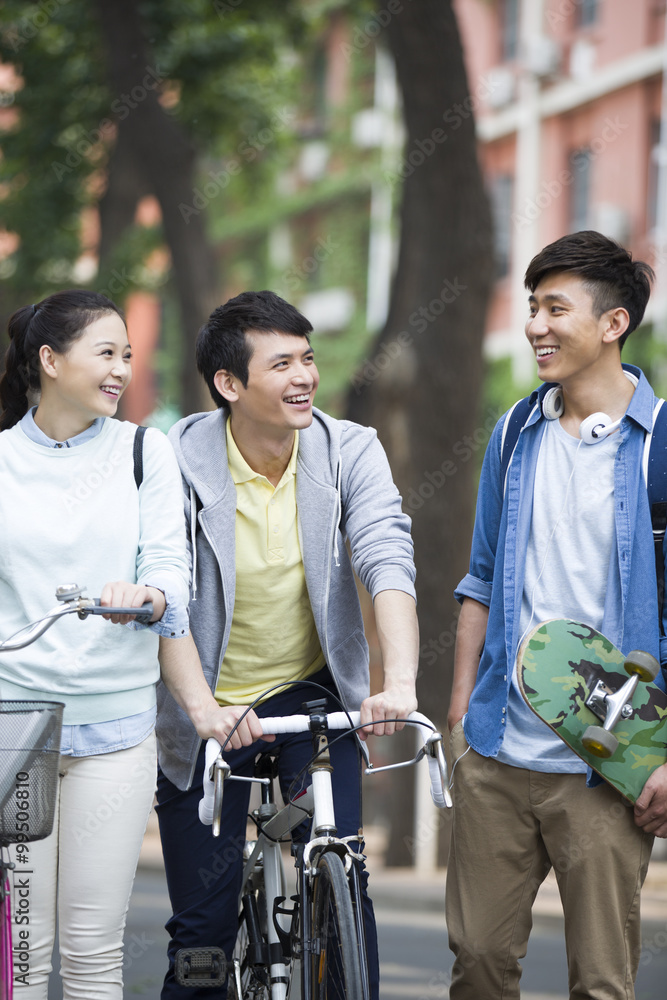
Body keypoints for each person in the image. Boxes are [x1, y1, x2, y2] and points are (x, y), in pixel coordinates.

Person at [155, 289, 419, 999]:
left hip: (309, 701)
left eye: (308, 358)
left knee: (343, 886)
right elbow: (166, 590)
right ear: (229, 384)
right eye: (281, 363)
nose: (304, 375)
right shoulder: (173, 459)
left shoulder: (347, 449)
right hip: (207, 708)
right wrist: (204, 709)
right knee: (202, 933)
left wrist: (397, 683)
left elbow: (385, 555)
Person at [446, 230, 667, 999]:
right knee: (476, 962)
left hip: (607, 766)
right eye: (532, 306)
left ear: (611, 324)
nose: (536, 324)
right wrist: (457, 726)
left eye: (554, 308)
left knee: (600, 984)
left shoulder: (660, 446)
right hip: (496, 754)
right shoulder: (513, 434)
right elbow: (478, 581)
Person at [0, 289, 231, 1000]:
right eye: (106, 353)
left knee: (96, 953)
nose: (122, 370)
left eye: (127, 355)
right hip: (16, 731)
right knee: (22, 956)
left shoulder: (143, 450)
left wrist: (152, 598)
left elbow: (168, 565)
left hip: (118, 732)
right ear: (50, 359)